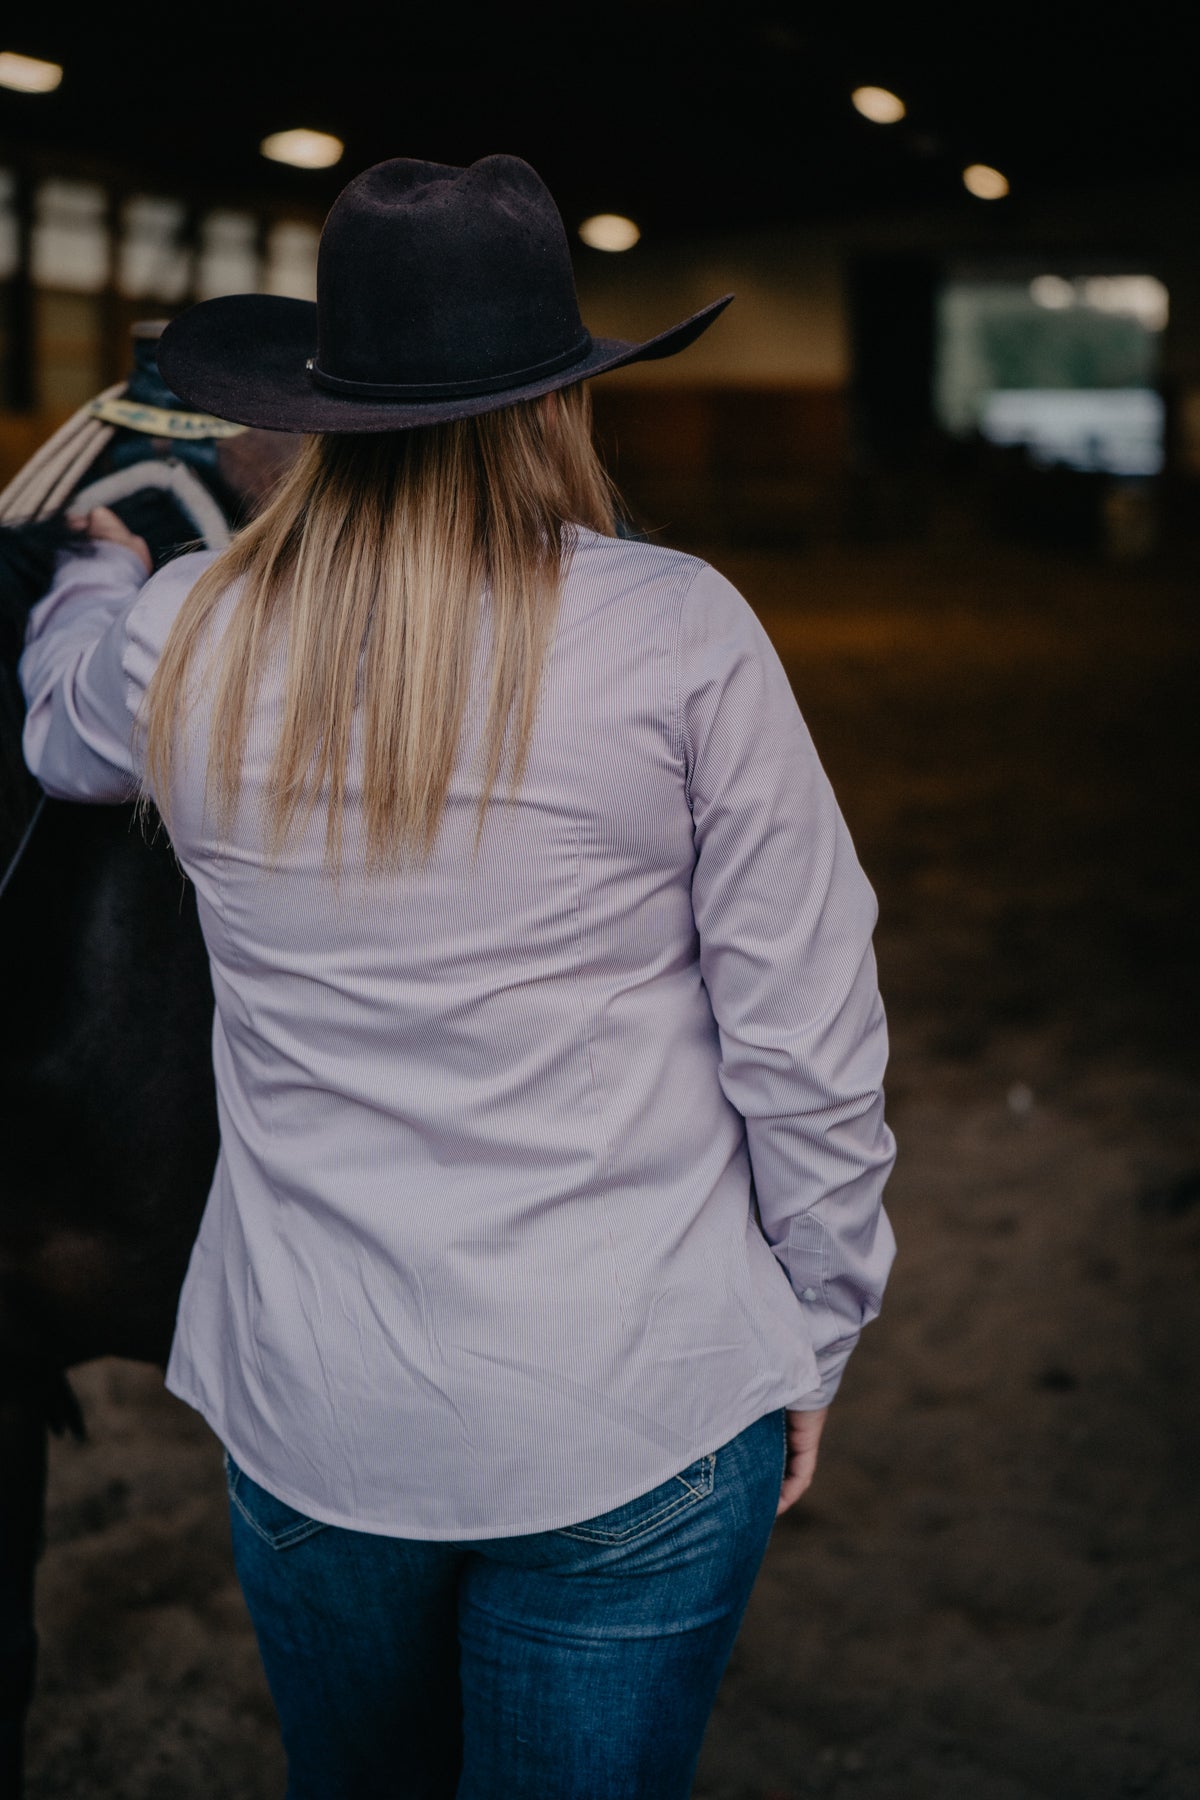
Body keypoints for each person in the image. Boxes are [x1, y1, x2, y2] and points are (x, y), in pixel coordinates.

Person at [19, 154, 897, 1800]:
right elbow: (808, 1028)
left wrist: (99, 578)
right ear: (555, 402)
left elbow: (59, 728)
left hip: (315, 1418)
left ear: (322, 406)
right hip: (638, 1403)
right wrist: (823, 1322)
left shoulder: (185, 630)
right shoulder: (680, 629)